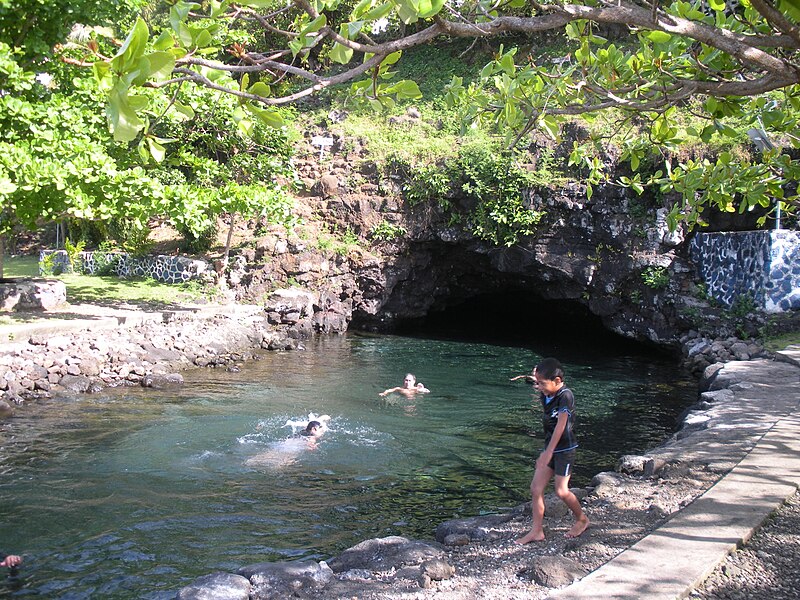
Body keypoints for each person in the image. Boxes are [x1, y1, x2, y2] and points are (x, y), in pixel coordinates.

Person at [516, 357, 590, 544]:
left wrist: (548, 452)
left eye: (542, 383)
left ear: (557, 381)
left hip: (564, 449)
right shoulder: (545, 395)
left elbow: (561, 425)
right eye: (537, 383)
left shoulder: (566, 395)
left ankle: (582, 519)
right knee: (536, 488)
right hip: (549, 447)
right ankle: (537, 530)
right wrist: (547, 450)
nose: (539, 387)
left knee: (561, 491)